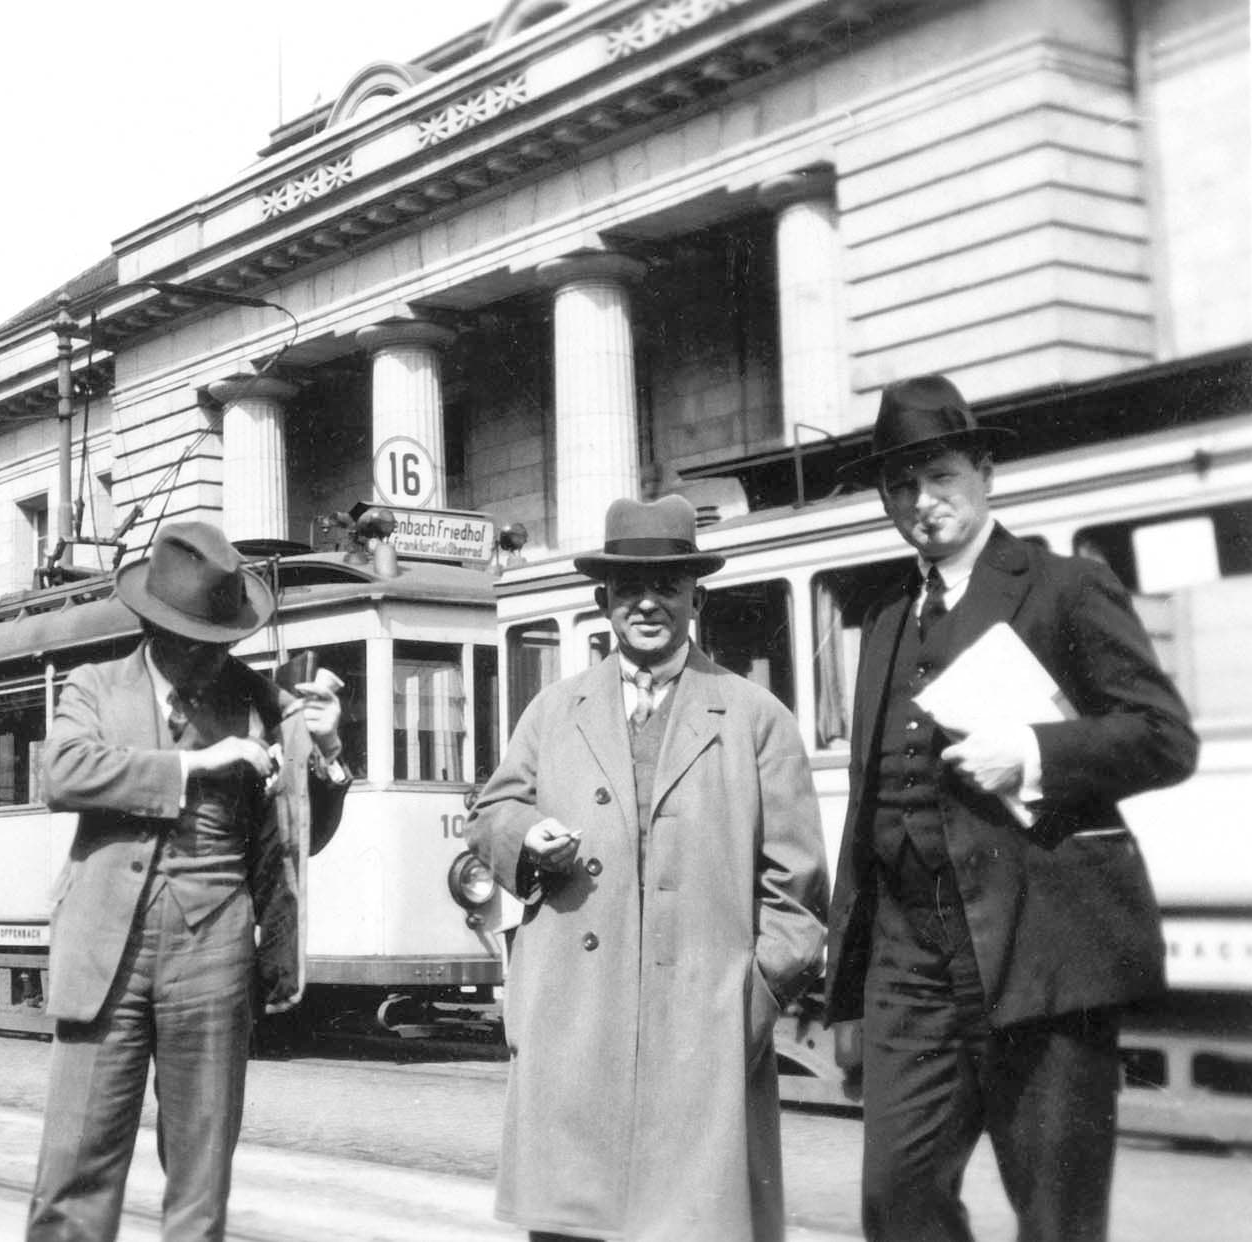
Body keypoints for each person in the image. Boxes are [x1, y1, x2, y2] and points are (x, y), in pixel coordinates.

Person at [824, 375, 1199, 1242]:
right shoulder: (884, 620)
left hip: (1043, 959)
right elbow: (869, 812)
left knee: (1057, 1217)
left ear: (985, 471)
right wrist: (851, 989)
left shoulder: (1064, 587)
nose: (923, 503)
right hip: (912, 970)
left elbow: (1163, 735)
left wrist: (1032, 752)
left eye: (942, 476)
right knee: (897, 1198)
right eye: (901, 486)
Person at [465, 495, 828, 1242]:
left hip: (705, 1033)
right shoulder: (552, 712)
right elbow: (490, 816)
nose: (647, 603)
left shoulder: (755, 717)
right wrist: (526, 837)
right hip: (575, 1030)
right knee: (572, 1230)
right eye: (629, 588)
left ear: (697, 595)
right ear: (603, 600)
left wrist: (749, 1002)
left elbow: (796, 891)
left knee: (692, 1228)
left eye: (667, 585)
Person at [25, 521, 349, 1242]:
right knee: (74, 1168)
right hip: (107, 947)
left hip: (214, 949)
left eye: (221, 642)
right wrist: (192, 765)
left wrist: (323, 751)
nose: (210, 658)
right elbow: (62, 772)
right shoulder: (94, 687)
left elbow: (304, 837)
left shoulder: (264, 704)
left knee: (201, 1180)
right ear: (154, 625)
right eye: (194, 640)